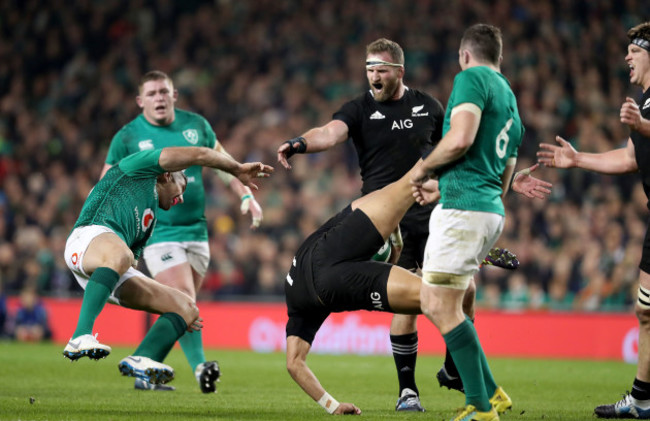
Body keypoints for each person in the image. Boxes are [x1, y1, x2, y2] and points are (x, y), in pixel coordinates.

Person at [277, 37, 508, 411]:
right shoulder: (358, 110)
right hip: (382, 219)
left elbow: (452, 147)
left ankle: (454, 368)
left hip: (431, 213)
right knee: (413, 304)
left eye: (380, 69)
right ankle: (409, 391)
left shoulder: (428, 107)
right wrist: (300, 142)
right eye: (369, 69)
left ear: (399, 71)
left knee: (466, 291)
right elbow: (330, 132)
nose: (373, 76)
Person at [284, 152, 548, 416]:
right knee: (413, 182)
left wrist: (333, 407)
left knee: (444, 298)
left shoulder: (297, 307)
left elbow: (294, 363)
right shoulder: (303, 273)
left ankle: (487, 394)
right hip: (336, 246)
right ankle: (466, 249)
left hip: (334, 283)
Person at [100, 70, 263, 392]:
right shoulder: (128, 136)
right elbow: (106, 183)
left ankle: (145, 374)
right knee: (184, 300)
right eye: (152, 93)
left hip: (197, 232)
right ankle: (191, 364)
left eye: (164, 91)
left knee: (182, 308)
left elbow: (225, 163)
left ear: (174, 95)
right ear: (140, 101)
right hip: (158, 231)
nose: (159, 97)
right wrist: (116, 229)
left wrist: (246, 195)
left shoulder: (196, 126)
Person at [63, 146, 272, 387]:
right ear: (167, 175)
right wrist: (235, 169)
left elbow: (130, 261)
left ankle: (142, 358)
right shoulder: (139, 168)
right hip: (87, 241)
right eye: (182, 188)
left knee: (187, 307)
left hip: (109, 266)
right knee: (120, 254)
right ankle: (80, 336)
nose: (181, 198)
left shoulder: (149, 221)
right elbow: (200, 154)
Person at [409, 23, 526, 421]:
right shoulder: (510, 100)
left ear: (465, 55)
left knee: (435, 302)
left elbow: (460, 139)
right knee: (449, 302)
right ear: (500, 56)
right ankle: (492, 395)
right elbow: (503, 173)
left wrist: (421, 171)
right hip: (489, 207)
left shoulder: (471, 78)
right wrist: (445, 189)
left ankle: (480, 406)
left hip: (465, 209)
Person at [537, 22, 650, 420]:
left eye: (634, 51)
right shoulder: (644, 101)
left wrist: (642, 126)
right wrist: (578, 158)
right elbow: (631, 159)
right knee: (646, 311)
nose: (626, 58)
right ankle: (640, 400)